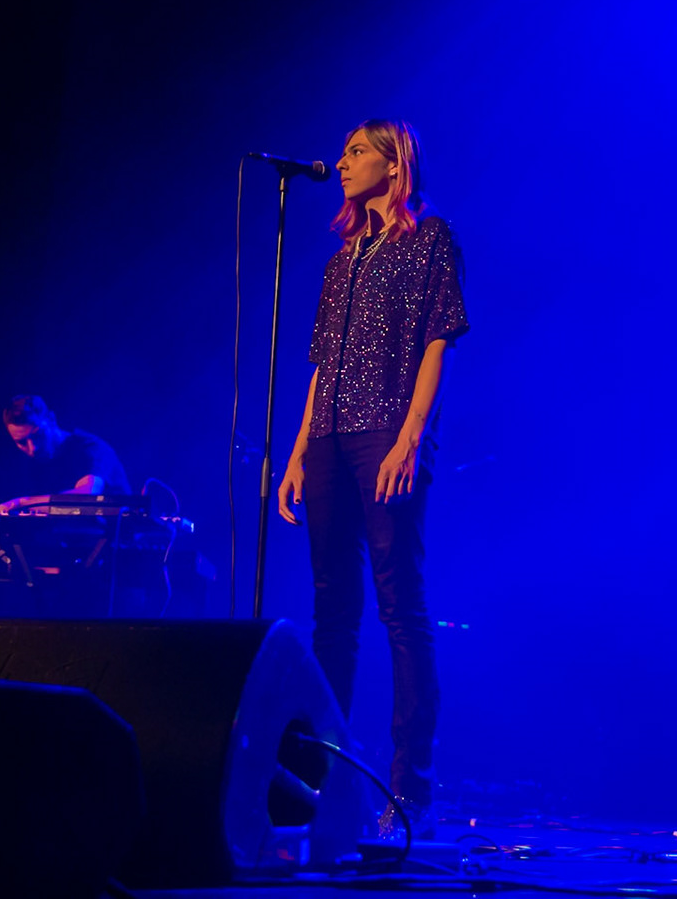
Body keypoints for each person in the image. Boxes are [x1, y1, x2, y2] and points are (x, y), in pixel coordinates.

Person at [277, 118, 469, 832]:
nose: (342, 160)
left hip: (388, 432)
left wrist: (411, 438)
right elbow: (323, 366)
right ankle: (319, 778)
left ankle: (409, 786)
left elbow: (439, 340)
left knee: (400, 606)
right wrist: (297, 451)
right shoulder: (340, 261)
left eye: (358, 151)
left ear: (395, 165)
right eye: (346, 150)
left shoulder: (430, 241)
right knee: (333, 610)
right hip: (327, 437)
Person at [0, 394, 131, 498]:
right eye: (22, 442)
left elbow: (87, 495)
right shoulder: (31, 465)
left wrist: (24, 503)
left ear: (51, 419)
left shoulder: (91, 448)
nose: (33, 448)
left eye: (38, 436)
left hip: (110, 532)